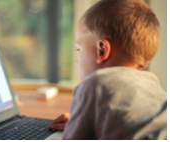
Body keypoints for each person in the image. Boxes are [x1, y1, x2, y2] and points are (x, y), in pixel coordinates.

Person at [49, 0, 167, 140]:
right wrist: (85, 122)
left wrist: (75, 127)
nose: (76, 60)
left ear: (101, 51)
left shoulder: (95, 84)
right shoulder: (152, 85)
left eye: (79, 49)